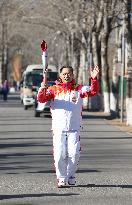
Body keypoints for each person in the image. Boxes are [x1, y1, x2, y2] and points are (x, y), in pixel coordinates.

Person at [37, 65, 99, 188]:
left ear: (72, 75)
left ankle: (70, 176)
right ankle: (61, 178)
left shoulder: (79, 89)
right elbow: (42, 99)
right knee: (59, 154)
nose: (66, 75)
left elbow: (93, 91)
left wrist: (94, 79)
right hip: (58, 128)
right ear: (60, 76)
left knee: (74, 154)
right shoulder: (53, 89)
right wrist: (42, 89)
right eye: (64, 74)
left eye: (69, 73)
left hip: (74, 128)